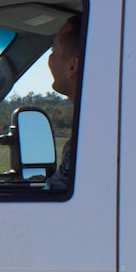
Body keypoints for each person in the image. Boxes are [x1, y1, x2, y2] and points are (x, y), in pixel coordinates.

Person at [45, 15, 82, 190]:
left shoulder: (91, 132)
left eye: (53, 52)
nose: (50, 61)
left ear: (73, 66)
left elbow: (56, 193)